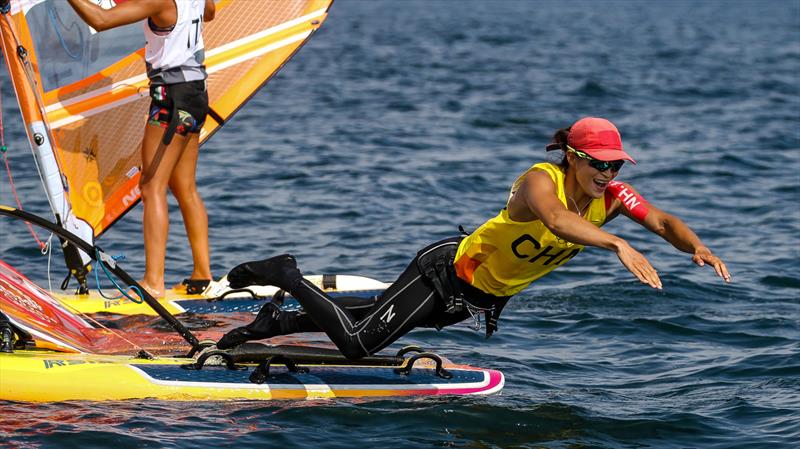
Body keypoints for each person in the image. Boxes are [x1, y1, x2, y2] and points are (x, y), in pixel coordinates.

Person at [216, 117, 731, 359]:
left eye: (615, 164)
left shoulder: (611, 195)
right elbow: (553, 220)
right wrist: (616, 243)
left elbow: (662, 222)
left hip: (478, 296)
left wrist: (697, 247)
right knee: (359, 345)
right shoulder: (539, 181)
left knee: (370, 314)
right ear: (573, 157)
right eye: (599, 163)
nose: (608, 172)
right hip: (445, 271)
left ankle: (274, 323)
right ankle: (286, 274)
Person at [67, 0, 216, 297]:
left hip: (170, 101)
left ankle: (153, 282)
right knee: (184, 187)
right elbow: (209, 13)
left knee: (151, 187)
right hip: (196, 94)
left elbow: (100, 19)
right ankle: (202, 274)